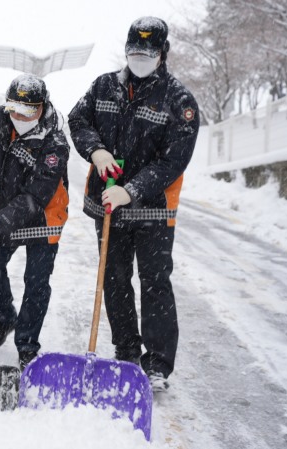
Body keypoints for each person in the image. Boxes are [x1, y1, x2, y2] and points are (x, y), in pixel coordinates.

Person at [68, 17, 200, 392]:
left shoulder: (179, 101)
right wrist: (96, 150)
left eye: (148, 54)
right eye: (134, 53)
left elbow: (174, 160)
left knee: (154, 282)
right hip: (107, 206)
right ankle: (126, 351)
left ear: (163, 54)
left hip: (153, 210)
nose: (139, 59)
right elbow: (77, 119)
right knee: (114, 279)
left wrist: (132, 190)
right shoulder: (104, 86)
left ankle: (156, 363)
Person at [0, 73, 69, 369]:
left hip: (44, 215)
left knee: (36, 282)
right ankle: (5, 317)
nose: (19, 116)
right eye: (14, 108)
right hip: (5, 207)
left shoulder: (54, 141)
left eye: (28, 111)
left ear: (42, 106)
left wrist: (1, 223)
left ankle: (27, 343)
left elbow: (37, 193)